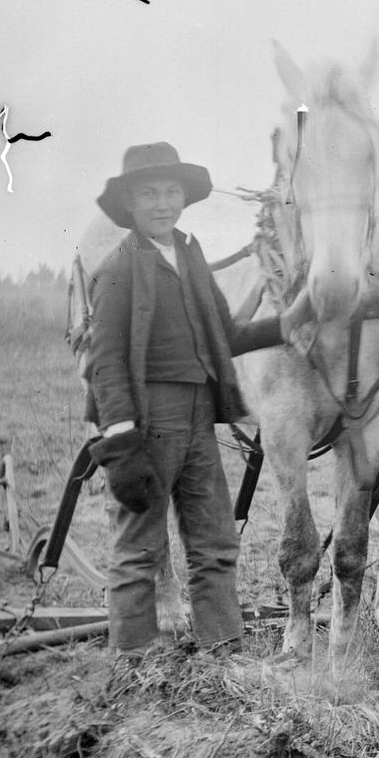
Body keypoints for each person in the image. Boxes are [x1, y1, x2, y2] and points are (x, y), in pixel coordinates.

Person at [82, 141, 296, 659]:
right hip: (147, 420)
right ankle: (134, 663)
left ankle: (222, 653)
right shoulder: (118, 268)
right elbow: (104, 361)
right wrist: (121, 443)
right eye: (149, 194)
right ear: (129, 205)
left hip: (200, 416)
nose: (163, 203)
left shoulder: (190, 254)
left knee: (216, 542)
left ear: (185, 198)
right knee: (138, 547)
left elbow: (227, 334)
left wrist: (295, 322)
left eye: (171, 192)